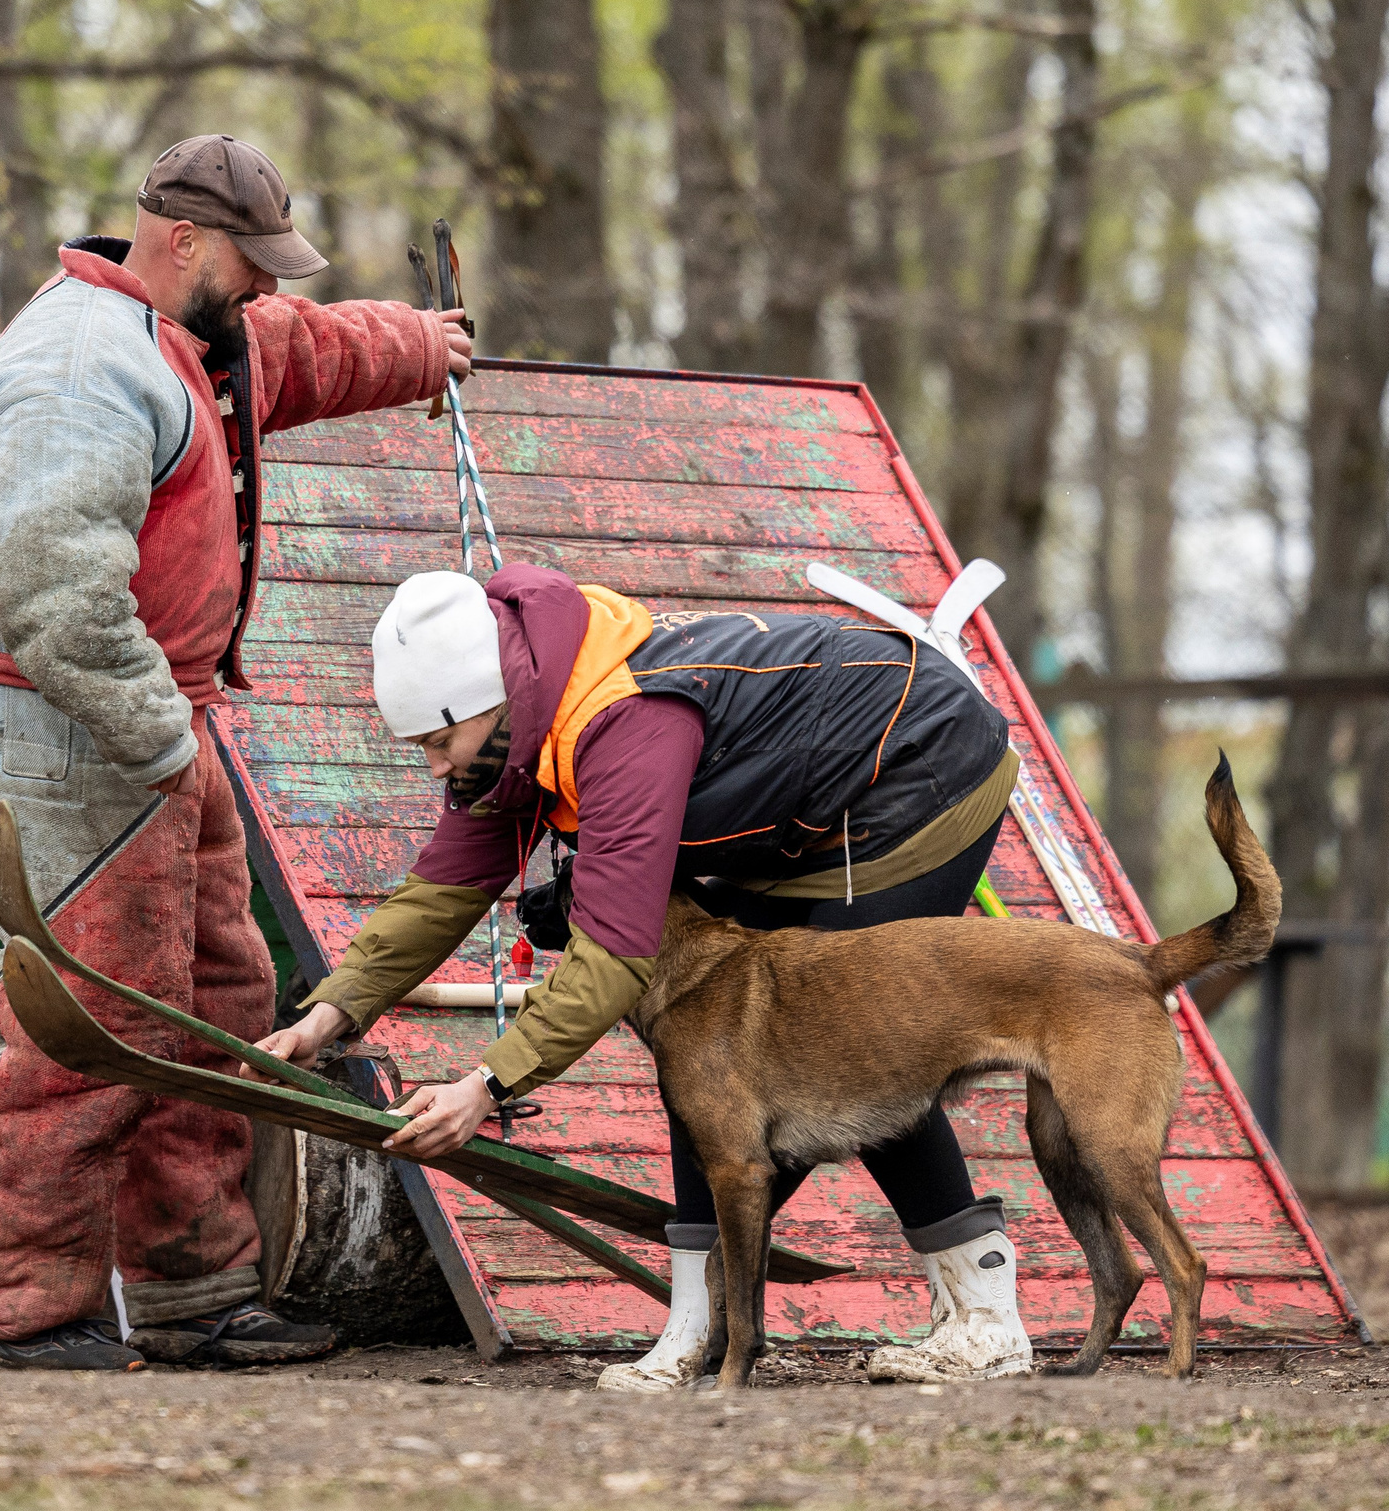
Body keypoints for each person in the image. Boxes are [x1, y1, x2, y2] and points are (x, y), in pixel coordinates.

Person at [0, 135, 472, 1370]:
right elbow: (42, 591)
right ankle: (23, 1310)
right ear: (180, 242)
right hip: (72, 733)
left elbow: (305, 347)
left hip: (156, 730)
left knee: (217, 1009)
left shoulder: (199, 337)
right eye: (253, 262)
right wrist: (158, 735)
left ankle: (194, 1294)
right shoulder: (79, 373)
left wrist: (420, 348)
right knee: (95, 1031)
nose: (269, 288)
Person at [253, 563, 1031, 1389]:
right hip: (798, 809)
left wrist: (487, 1083)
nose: (437, 768)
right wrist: (324, 1016)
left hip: (920, 763)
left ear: (489, 701)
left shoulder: (623, 725)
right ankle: (710, 1324)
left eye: (441, 743)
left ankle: (976, 1319)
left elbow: (614, 956)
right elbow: (440, 894)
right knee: (707, 1053)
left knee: (843, 1039)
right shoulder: (516, 731)